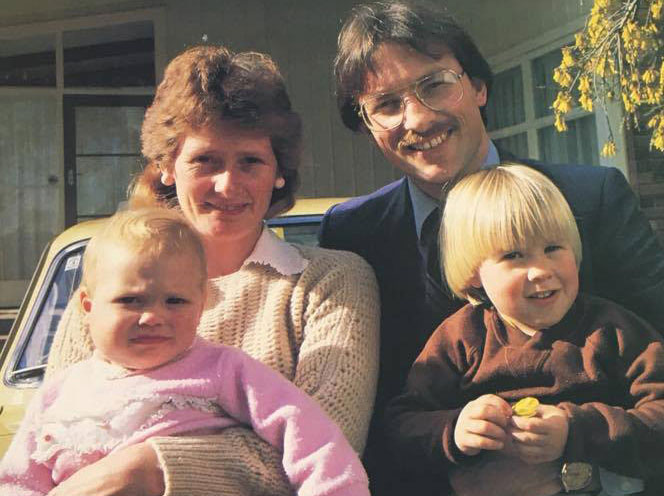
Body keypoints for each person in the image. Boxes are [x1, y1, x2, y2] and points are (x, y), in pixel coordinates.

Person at [318, 1, 664, 494]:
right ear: (368, 125)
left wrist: (579, 458)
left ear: (478, 87)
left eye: (435, 84)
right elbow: (368, 411)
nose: (416, 118)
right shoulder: (352, 234)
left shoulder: (591, 200)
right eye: (387, 104)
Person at [44, 45, 380, 496]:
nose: (228, 185)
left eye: (250, 161)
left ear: (279, 171)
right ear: (167, 167)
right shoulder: (110, 282)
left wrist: (149, 468)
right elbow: (60, 433)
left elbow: (328, 445)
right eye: (206, 160)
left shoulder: (331, 284)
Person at [0, 208, 370, 496]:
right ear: (87, 306)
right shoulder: (62, 392)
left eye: (175, 301)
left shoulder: (223, 369)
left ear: (202, 305)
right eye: (130, 300)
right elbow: (19, 480)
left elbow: (311, 436)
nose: (153, 316)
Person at [385, 165, 663, 496]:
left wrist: (576, 430)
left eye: (553, 248)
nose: (541, 271)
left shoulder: (612, 330)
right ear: (475, 273)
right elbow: (401, 426)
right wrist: (455, 429)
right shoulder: (462, 337)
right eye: (514, 255)